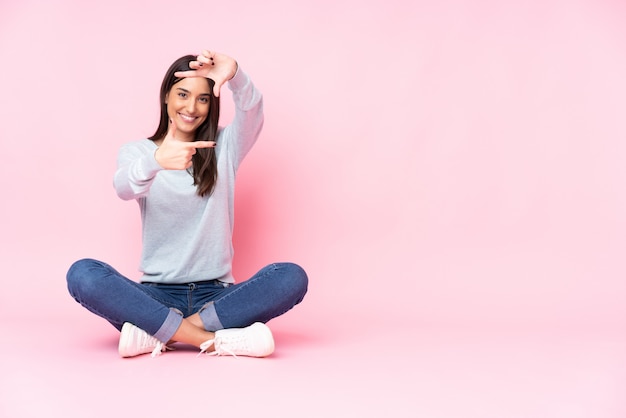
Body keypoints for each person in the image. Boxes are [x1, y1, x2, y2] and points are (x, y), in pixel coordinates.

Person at [66, 50, 308, 358]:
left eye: (203, 99)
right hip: (154, 296)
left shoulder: (225, 148)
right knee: (83, 274)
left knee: (291, 276)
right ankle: (214, 340)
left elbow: (253, 110)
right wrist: (155, 161)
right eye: (182, 94)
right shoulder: (137, 152)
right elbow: (123, 187)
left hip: (217, 298)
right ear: (166, 97)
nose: (191, 107)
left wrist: (235, 74)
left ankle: (162, 333)